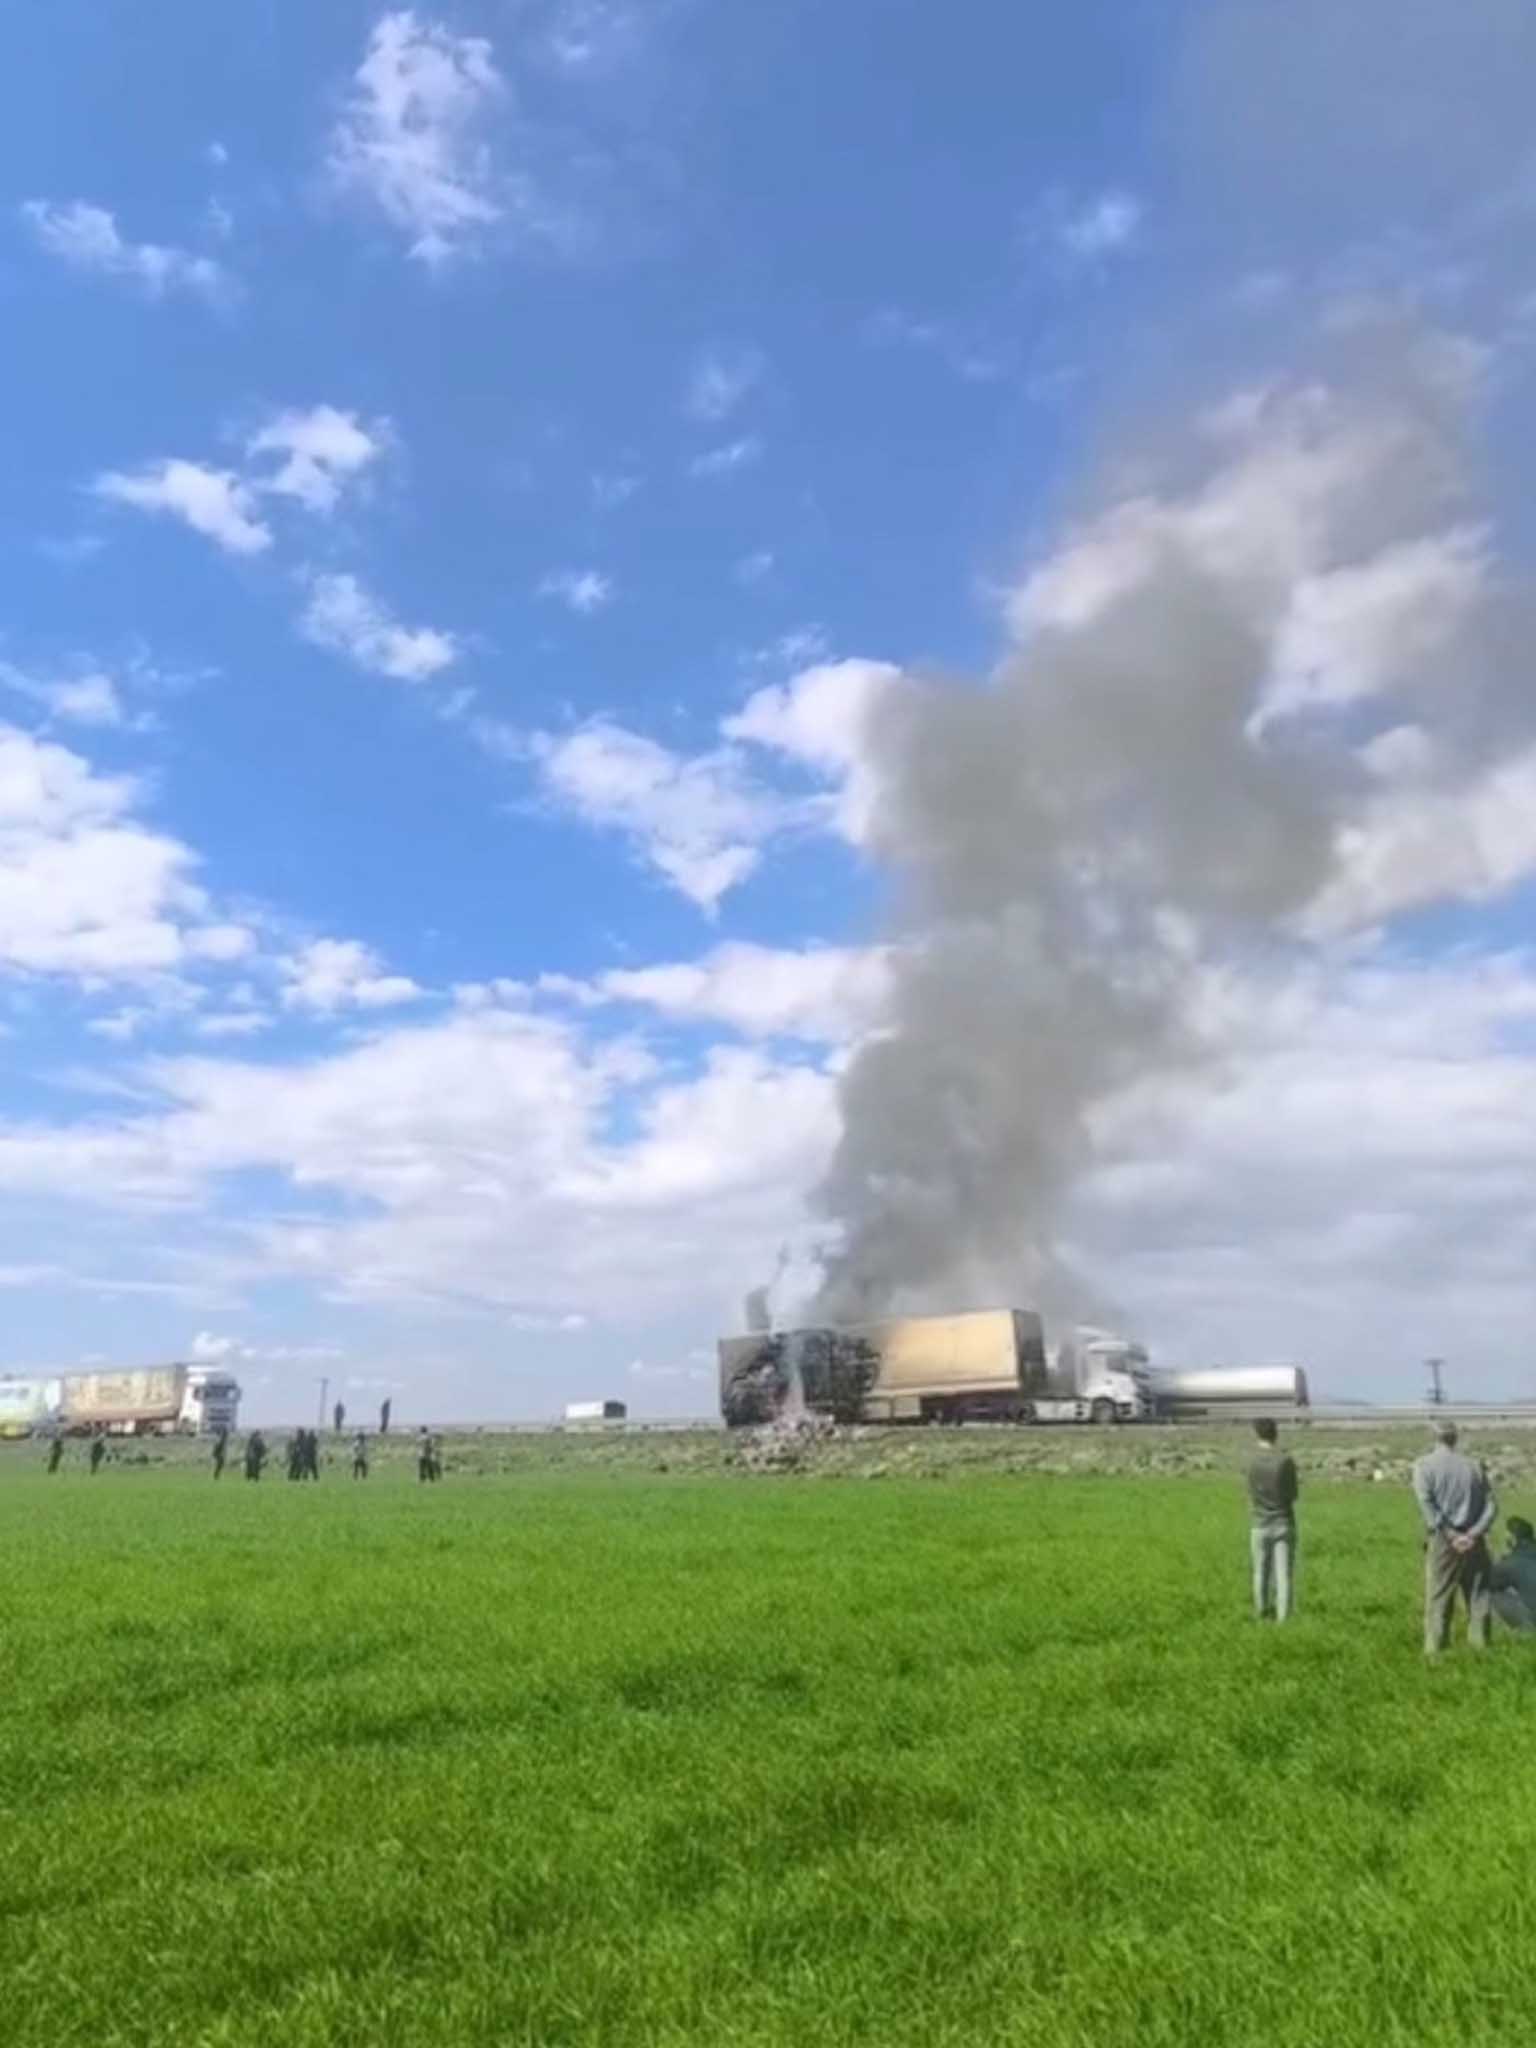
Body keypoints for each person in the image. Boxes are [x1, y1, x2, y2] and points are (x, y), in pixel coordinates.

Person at [1413, 1421, 1497, 1654]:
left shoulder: (1423, 1466)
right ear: (1455, 1438)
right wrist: (1473, 1533)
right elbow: (1491, 1506)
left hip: (1443, 1540)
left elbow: (1427, 1504)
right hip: (1475, 1540)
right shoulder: (1474, 1466)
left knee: (1439, 1597)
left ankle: (1434, 1652)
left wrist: (1451, 1534)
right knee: (1478, 1597)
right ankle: (1480, 1649)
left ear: (1434, 1437)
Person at [1246, 1417, 1299, 1622]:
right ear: (1275, 1433)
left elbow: (1250, 1493)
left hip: (1259, 1523)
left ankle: (1261, 1613)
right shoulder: (1286, 1461)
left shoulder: (1252, 1462)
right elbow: (1293, 1494)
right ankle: (1282, 1619)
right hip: (1284, 1522)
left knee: (1260, 1572)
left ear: (1257, 1434)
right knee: (1283, 1575)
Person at [1490, 1516, 1536, 1635]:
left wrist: (1497, 1561)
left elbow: (1489, 1583)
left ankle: (1526, 1630)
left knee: (1492, 1594)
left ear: (1512, 1539)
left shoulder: (1510, 1563)